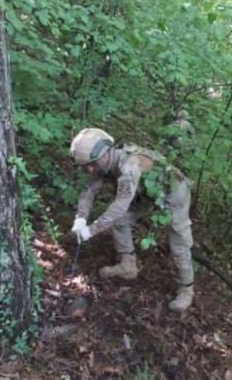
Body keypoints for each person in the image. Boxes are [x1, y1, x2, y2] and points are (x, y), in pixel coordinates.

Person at [69, 128, 195, 311]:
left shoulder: (129, 167)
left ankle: (186, 290)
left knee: (179, 242)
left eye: (89, 165)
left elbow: (119, 206)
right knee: (121, 223)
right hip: (145, 194)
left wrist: (91, 230)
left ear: (103, 155)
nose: (88, 170)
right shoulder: (104, 164)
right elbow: (89, 191)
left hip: (173, 192)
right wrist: (80, 219)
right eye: (85, 166)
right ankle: (128, 266)